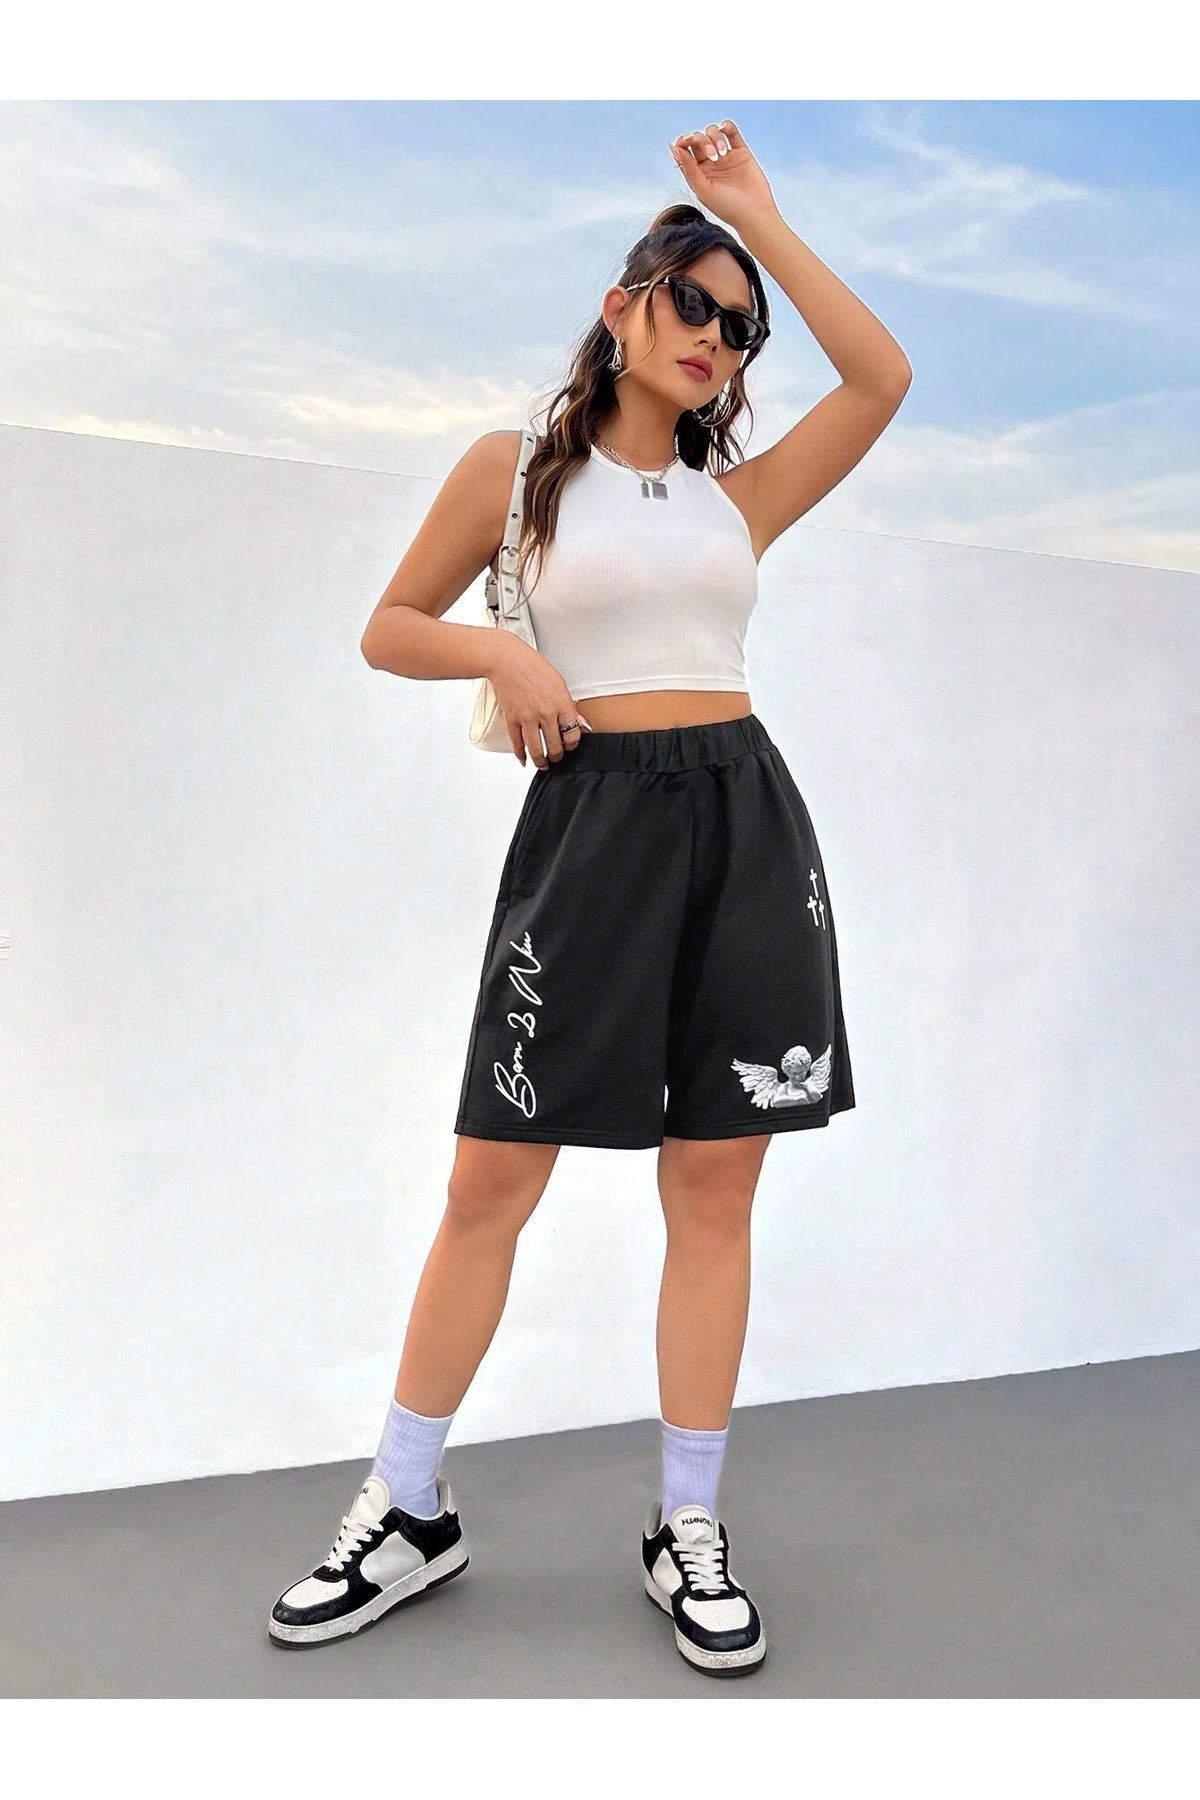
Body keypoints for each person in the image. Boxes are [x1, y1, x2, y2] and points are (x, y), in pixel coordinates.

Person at [268, 118, 911, 1678]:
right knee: (493, 1176)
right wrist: (503, 651)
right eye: (694, 303)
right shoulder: (513, 475)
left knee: (716, 1187)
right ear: (624, 304)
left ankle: (687, 1523)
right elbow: (389, 626)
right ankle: (406, 1505)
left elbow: (883, 378)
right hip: (591, 833)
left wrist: (758, 216)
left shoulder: (736, 501)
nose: (716, 340)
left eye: (739, 329)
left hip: (745, 827)